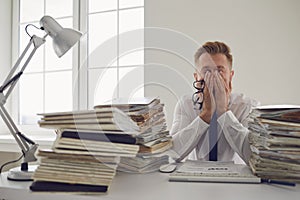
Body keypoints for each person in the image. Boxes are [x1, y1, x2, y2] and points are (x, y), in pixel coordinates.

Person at [170, 41, 259, 164]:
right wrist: (206, 114)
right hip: (195, 179)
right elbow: (171, 154)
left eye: (219, 70)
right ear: (196, 77)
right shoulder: (186, 105)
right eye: (206, 71)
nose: (213, 76)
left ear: (231, 75)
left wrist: (224, 112)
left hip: (237, 181)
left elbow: (254, 156)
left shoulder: (247, 106)